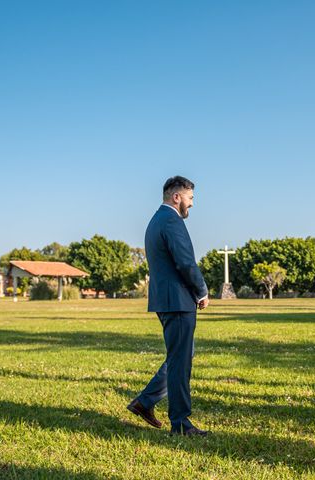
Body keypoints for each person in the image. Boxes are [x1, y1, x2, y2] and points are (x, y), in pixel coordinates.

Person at [127, 175, 210, 436]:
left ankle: (146, 402)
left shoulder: (156, 220)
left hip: (167, 300)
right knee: (180, 362)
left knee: (181, 356)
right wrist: (201, 291)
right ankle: (181, 424)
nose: (192, 204)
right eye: (190, 198)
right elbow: (185, 262)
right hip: (177, 301)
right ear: (177, 197)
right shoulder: (171, 221)